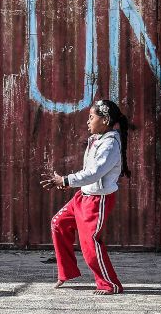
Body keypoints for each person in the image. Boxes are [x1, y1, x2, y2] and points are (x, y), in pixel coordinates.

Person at [40, 99, 131, 295]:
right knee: (58, 223)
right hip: (83, 196)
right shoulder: (97, 139)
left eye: (91, 117)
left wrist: (65, 180)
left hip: (97, 201)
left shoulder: (110, 145)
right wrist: (71, 184)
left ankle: (110, 284)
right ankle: (67, 272)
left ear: (105, 120)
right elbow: (88, 172)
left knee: (90, 243)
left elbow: (95, 173)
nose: (88, 121)